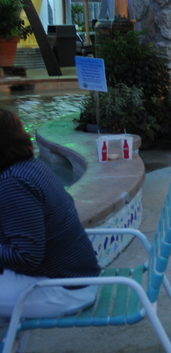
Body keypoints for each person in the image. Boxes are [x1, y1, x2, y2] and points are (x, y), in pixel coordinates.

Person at [0, 109, 100, 319]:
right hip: (77, 278)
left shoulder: (13, 184)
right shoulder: (30, 166)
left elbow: (26, 256)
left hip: (63, 290)